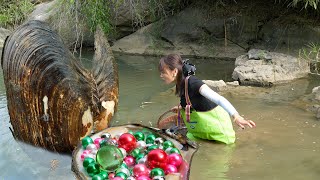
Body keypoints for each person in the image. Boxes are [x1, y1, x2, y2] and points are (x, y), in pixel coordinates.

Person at [158, 54, 256, 144]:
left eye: (163, 72)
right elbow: (193, 100)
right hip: (199, 132)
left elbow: (219, 99)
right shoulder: (180, 84)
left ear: (174, 71)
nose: (161, 75)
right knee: (163, 125)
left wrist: (236, 117)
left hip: (218, 133)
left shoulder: (193, 83)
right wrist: (182, 107)